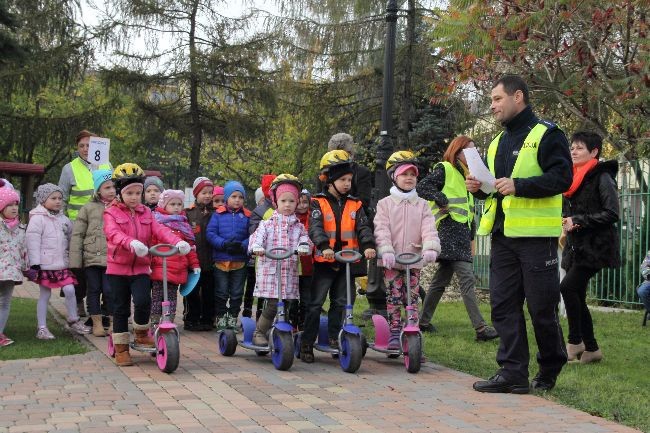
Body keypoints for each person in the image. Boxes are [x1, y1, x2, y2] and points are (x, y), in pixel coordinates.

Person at [468, 75, 572, 394]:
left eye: (497, 99)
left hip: (536, 239)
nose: (492, 105)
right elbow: (497, 190)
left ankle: (551, 365)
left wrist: (520, 185)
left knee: (542, 309)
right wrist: (481, 189)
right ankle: (512, 372)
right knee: (503, 305)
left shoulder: (547, 134)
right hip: (502, 237)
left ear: (518, 97)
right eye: (491, 100)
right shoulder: (498, 142)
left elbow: (562, 178)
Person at [103, 163, 190, 366]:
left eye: (137, 193)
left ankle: (142, 333)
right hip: (118, 269)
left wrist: (178, 242)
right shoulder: (111, 213)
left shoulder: (146, 213)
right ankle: (122, 349)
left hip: (141, 267)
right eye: (129, 193)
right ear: (119, 193)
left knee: (143, 301)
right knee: (121, 309)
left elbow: (160, 230)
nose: (134, 197)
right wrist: (131, 243)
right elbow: (113, 233)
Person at [416, 136, 499, 341]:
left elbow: (468, 210)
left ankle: (422, 323)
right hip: (447, 231)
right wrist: (441, 199)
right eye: (467, 151)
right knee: (467, 278)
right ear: (457, 151)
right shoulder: (445, 168)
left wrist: (470, 236)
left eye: (474, 151)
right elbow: (423, 187)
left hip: (459, 233)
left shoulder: (469, 176)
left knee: (439, 281)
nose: (472, 155)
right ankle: (480, 329)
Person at [300, 150, 376, 363]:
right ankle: (307, 342)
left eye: (350, 180)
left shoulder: (355, 204)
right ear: (330, 181)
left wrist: (368, 245)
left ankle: (334, 337)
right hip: (325, 262)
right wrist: (323, 246)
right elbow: (315, 227)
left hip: (347, 262)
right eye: (342, 180)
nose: (347, 184)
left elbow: (363, 227)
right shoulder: (318, 202)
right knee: (315, 303)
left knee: (341, 302)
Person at [561, 131, 620, 364]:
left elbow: (612, 212)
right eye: (572, 147)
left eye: (579, 148)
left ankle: (575, 341)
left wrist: (578, 220)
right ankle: (592, 349)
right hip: (577, 246)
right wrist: (567, 220)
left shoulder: (602, 177)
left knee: (567, 288)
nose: (573, 152)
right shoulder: (574, 177)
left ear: (594, 152)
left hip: (596, 247)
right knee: (577, 294)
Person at [374, 151, 440, 349]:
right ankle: (394, 329)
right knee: (394, 295)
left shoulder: (422, 205)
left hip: (413, 258)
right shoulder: (384, 204)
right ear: (394, 177)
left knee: (411, 296)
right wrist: (385, 249)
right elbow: (382, 228)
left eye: (413, 174)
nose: (409, 178)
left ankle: (413, 330)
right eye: (404, 174)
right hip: (392, 260)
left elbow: (429, 228)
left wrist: (430, 247)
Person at [248, 174, 312, 345]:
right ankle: (259, 332)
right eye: (284, 201)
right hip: (270, 272)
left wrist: (304, 247)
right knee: (272, 305)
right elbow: (255, 239)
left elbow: (306, 240)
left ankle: (279, 332)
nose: (288, 205)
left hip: (288, 273)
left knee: (287, 305)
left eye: (292, 201)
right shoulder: (267, 224)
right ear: (276, 202)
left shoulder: (298, 226)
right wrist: (257, 248)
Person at [26, 183, 91, 339]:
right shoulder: (37, 219)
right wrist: (35, 262)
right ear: (43, 200)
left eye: (60, 198)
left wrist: (73, 257)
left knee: (70, 290)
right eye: (53, 198)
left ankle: (73, 319)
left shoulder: (64, 220)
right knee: (45, 295)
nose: (57, 201)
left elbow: (71, 238)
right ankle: (42, 328)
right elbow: (32, 240)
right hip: (44, 264)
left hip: (62, 264)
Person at [58, 130, 112, 317]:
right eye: (81, 145)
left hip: (103, 224)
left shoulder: (106, 165)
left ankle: (106, 304)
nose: (85, 149)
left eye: (89, 145)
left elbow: (112, 193)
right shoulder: (69, 168)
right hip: (77, 226)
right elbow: (62, 198)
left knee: (105, 264)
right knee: (78, 266)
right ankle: (78, 300)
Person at [69, 169, 115, 337]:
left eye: (113, 187)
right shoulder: (87, 208)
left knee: (110, 291)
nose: (111, 191)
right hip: (91, 257)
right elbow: (78, 234)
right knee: (93, 290)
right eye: (107, 187)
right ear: (98, 190)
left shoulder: (119, 206)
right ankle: (96, 323)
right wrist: (75, 261)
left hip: (112, 257)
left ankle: (111, 322)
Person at [151, 190, 201, 327]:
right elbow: (152, 244)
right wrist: (150, 262)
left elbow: (190, 249)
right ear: (164, 205)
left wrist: (195, 265)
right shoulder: (158, 223)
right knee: (157, 296)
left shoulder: (184, 226)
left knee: (172, 297)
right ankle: (154, 321)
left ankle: (169, 320)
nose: (176, 207)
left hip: (177, 270)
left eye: (179, 204)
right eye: (172, 204)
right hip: (160, 267)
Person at [206, 180, 251, 330]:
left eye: (240, 197)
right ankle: (220, 317)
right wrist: (223, 244)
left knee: (237, 293)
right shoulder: (218, 215)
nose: (237, 200)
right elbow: (210, 234)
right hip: (221, 260)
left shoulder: (247, 216)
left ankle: (232, 317)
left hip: (240, 261)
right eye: (233, 196)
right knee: (221, 292)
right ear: (226, 198)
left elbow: (254, 235)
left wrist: (243, 245)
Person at [183, 176, 215, 331]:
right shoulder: (188, 213)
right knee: (192, 292)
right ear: (196, 194)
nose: (208, 195)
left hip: (211, 261)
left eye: (210, 192)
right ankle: (191, 318)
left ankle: (208, 319)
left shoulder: (216, 213)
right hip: (193, 261)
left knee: (209, 293)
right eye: (204, 192)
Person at [244, 174, 276, 319]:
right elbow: (254, 231)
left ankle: (261, 316)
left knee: (267, 290)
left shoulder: (281, 207)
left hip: (274, 257)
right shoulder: (261, 211)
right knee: (252, 287)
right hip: (257, 258)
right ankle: (246, 313)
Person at [0, 181, 28, 347]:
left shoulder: (20, 228)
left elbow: (23, 250)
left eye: (16, 205)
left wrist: (26, 268)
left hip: (11, 272)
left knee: (5, 302)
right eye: (9, 205)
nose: (13, 208)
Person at [293, 188, 314, 329]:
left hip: (308, 266)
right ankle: (293, 322)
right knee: (293, 297)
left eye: (305, 202)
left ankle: (304, 323)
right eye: (299, 203)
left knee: (306, 297)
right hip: (293, 265)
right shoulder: (291, 219)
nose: (302, 206)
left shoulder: (313, 218)